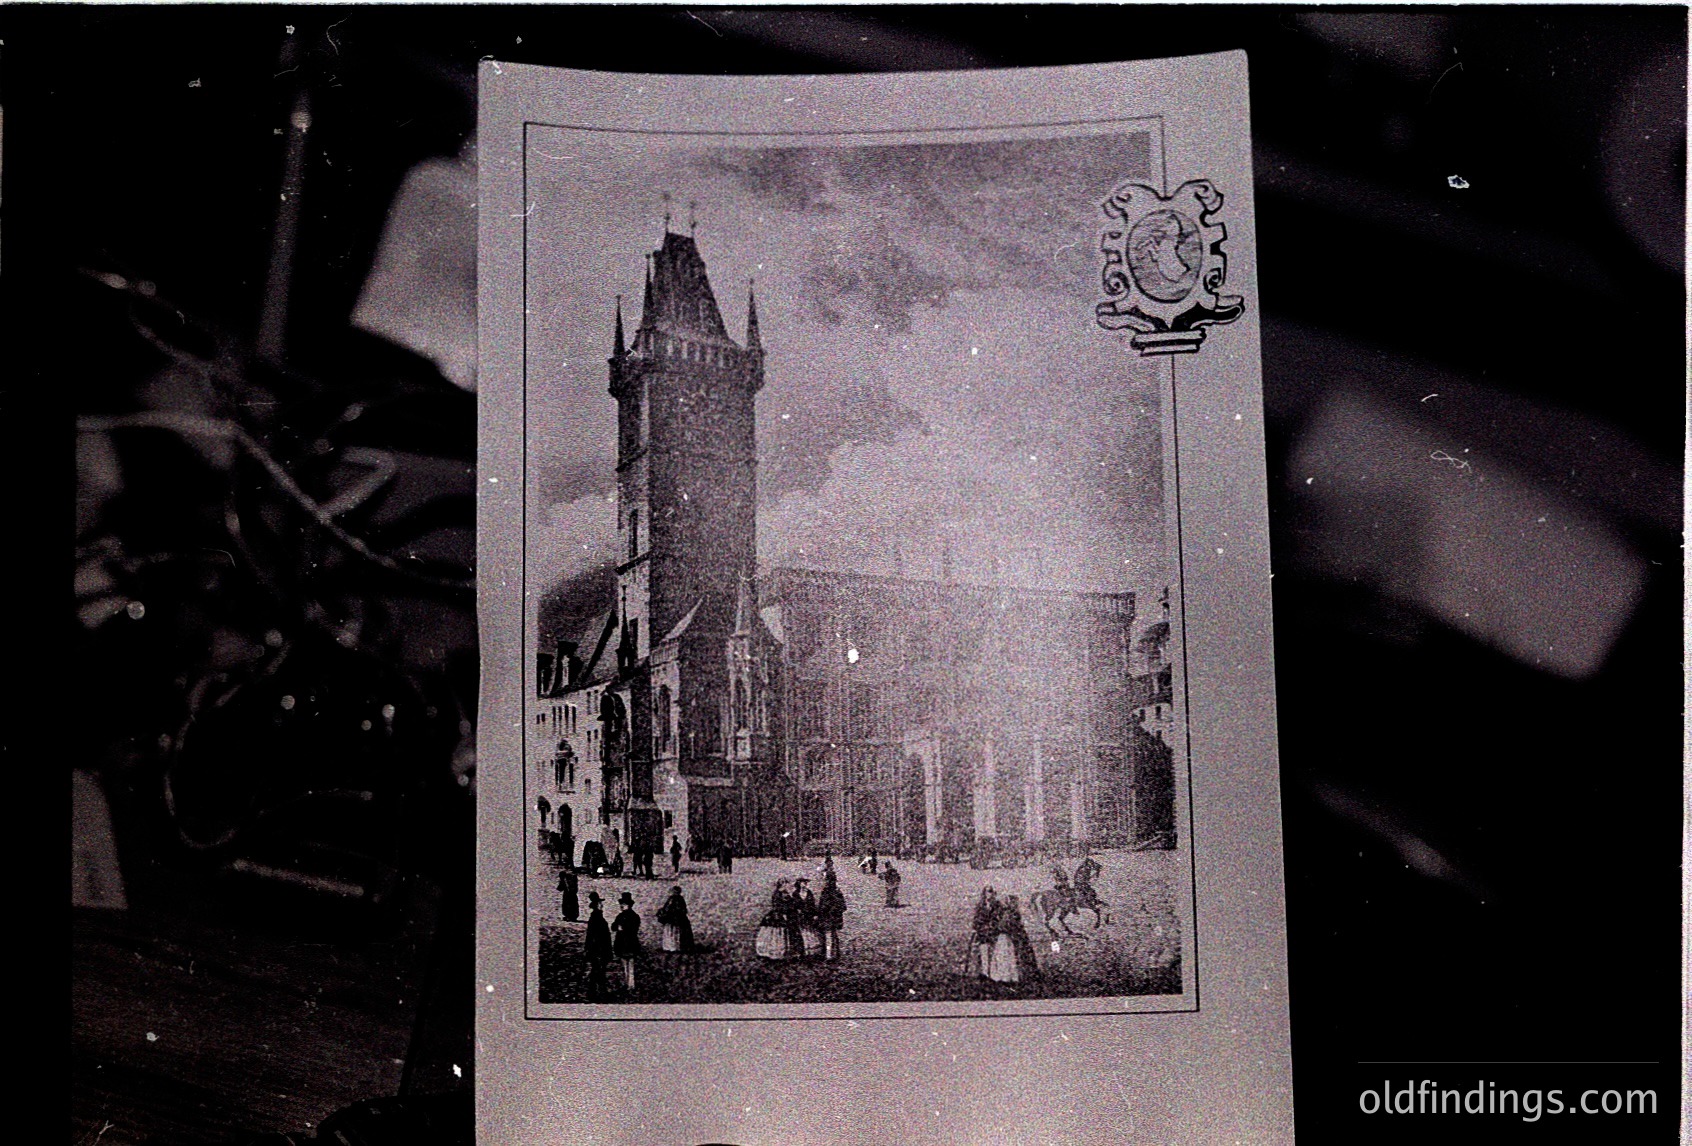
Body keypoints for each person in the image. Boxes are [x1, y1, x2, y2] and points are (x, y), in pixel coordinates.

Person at [755, 879, 799, 961]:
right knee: (777, 933)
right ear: (782, 884)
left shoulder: (786, 893)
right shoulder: (777, 894)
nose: (787, 885)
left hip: (787, 914)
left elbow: (791, 903)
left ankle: (786, 952)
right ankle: (776, 953)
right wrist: (782, 914)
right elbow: (776, 905)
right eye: (785, 883)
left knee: (786, 933)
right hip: (778, 915)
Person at [583, 891, 612, 996]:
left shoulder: (595, 917)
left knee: (597, 970)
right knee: (598, 970)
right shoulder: (596, 918)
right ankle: (598, 990)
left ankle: (595, 990)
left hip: (597, 949)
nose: (602, 905)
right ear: (597, 905)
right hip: (599, 949)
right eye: (600, 904)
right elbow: (595, 936)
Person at [611, 891, 641, 990]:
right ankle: (627, 982)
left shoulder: (634, 916)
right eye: (621, 904)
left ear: (629, 905)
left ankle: (631, 984)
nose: (621, 906)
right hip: (622, 943)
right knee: (625, 964)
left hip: (629, 942)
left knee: (630, 964)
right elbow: (613, 926)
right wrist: (617, 927)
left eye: (623, 904)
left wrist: (622, 928)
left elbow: (634, 929)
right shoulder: (620, 916)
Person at [816, 868, 846, 961]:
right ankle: (834, 953)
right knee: (832, 935)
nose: (823, 880)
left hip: (829, 917)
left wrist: (825, 910)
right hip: (832, 917)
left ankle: (829, 955)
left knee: (828, 935)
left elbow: (841, 906)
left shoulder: (830, 891)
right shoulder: (835, 890)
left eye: (824, 878)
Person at [967, 886, 999, 978]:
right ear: (984, 894)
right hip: (983, 934)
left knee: (993, 953)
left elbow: (998, 918)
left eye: (991, 892)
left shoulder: (997, 905)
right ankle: (985, 973)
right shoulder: (980, 906)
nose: (989, 894)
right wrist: (975, 928)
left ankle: (993, 974)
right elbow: (976, 919)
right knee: (984, 953)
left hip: (993, 933)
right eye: (988, 892)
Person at [655, 885, 694, 953]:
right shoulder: (680, 899)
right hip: (679, 919)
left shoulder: (672, 899)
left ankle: (672, 946)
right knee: (679, 932)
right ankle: (679, 946)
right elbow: (683, 910)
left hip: (673, 919)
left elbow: (667, 909)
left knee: (672, 931)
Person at [792, 877, 822, 957]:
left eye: (806, 883)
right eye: (803, 882)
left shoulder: (809, 892)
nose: (805, 884)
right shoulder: (795, 893)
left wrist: (815, 914)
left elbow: (812, 904)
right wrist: (798, 911)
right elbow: (794, 905)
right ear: (798, 884)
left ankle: (811, 951)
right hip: (800, 917)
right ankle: (802, 951)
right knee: (801, 933)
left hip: (809, 916)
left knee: (810, 932)